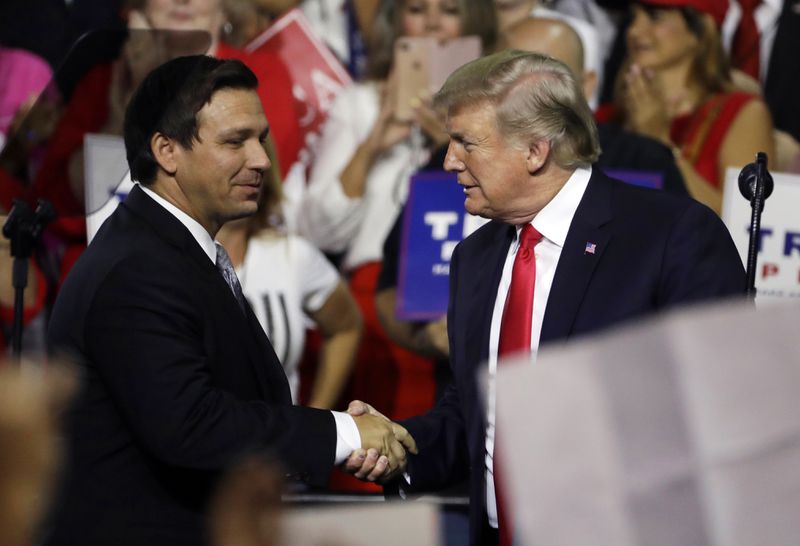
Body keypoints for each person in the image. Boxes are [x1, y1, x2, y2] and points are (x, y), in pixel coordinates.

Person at [346, 50, 746, 545]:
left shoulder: (671, 235)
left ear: (535, 150)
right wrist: (398, 446)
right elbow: (471, 412)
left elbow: (722, 405)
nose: (449, 161)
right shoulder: (474, 258)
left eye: (465, 143)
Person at [43, 55, 414, 546]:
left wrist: (338, 436)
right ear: (167, 151)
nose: (261, 159)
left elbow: (241, 401)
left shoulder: (170, 249)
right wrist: (340, 434)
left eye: (259, 138)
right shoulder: (138, 267)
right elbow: (190, 424)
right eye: (234, 141)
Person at [299, 0, 497, 423]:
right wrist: (372, 143)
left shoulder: (499, 113)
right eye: (416, 8)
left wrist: (448, 144)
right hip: (376, 307)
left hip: (469, 296)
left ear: (474, 24)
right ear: (398, 21)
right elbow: (319, 231)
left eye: (449, 10)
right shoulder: (361, 103)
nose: (430, 22)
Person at [216, 143, 362, 409]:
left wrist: (317, 416)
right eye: (234, 144)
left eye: (260, 145)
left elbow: (346, 327)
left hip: (280, 446)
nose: (256, 162)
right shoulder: (161, 256)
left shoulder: (292, 254)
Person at [610, 0, 775, 214]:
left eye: (655, 16)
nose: (634, 30)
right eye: (633, 18)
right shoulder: (607, 117)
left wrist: (660, 143)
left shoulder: (740, 114)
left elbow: (745, 222)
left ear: (700, 29)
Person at [505, 16, 688, 195]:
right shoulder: (480, 160)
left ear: (587, 85)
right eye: (508, 81)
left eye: (548, 82)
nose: (527, 98)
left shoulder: (643, 161)